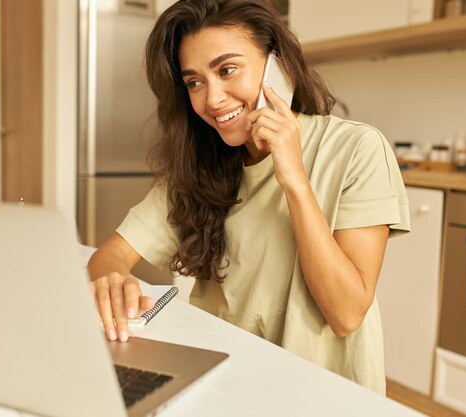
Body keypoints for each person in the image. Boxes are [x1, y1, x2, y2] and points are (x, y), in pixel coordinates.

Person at [88, 0, 410, 395]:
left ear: (280, 66)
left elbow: (345, 315)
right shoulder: (198, 168)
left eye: (227, 70)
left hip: (325, 394)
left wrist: (293, 178)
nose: (212, 99)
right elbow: (112, 254)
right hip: (229, 382)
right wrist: (112, 278)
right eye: (194, 82)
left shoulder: (356, 148)